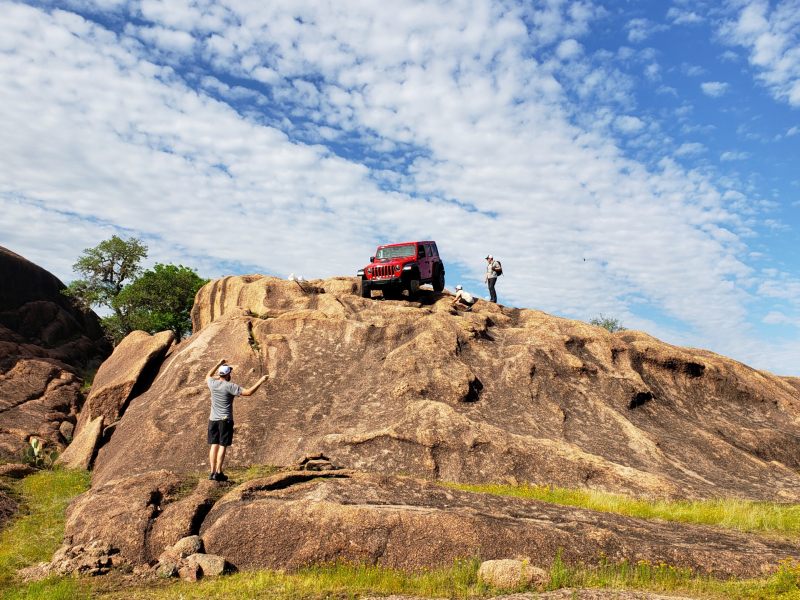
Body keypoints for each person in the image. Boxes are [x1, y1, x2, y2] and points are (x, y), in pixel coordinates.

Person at [206, 359, 268, 482]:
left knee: (214, 445)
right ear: (228, 374)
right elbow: (248, 392)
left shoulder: (212, 383)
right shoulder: (230, 386)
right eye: (230, 373)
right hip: (225, 420)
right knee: (222, 445)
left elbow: (207, 375)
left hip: (213, 419)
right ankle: (218, 472)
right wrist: (261, 380)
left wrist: (218, 364)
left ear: (219, 374)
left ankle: (212, 472)